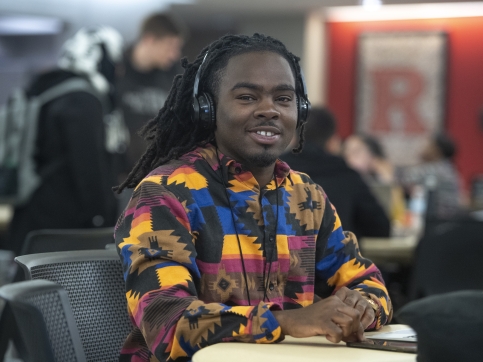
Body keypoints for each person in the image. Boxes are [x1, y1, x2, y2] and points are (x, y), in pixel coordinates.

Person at [114, 33, 393, 362]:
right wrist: (285, 322)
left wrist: (363, 307)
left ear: (300, 112)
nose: (269, 110)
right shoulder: (166, 192)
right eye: (247, 97)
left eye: (284, 99)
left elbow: (369, 283)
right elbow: (168, 323)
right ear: (207, 109)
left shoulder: (306, 197)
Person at [5, 26, 124, 255]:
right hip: (66, 225)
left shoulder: (48, 88)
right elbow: (88, 165)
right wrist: (100, 218)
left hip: (33, 213)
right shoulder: (82, 99)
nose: (118, 72)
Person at [281, 107, 390, 238]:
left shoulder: (273, 171)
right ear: (332, 141)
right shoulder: (347, 176)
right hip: (335, 256)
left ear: (294, 137)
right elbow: (381, 228)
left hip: (280, 257)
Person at [115, 13, 186, 176]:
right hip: (121, 174)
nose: (174, 54)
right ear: (149, 39)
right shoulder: (115, 70)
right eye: (170, 46)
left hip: (161, 173)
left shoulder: (175, 76)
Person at [343, 134, 406, 227]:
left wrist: (387, 181)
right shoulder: (339, 182)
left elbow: (398, 219)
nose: (348, 157)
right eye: (345, 151)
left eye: (355, 152)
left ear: (372, 157)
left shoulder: (380, 181)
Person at [397, 132, 463, 219]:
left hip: (437, 222)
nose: (422, 147)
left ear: (436, 150)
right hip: (439, 221)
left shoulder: (437, 169)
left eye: (427, 144)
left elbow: (401, 180)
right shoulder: (447, 167)